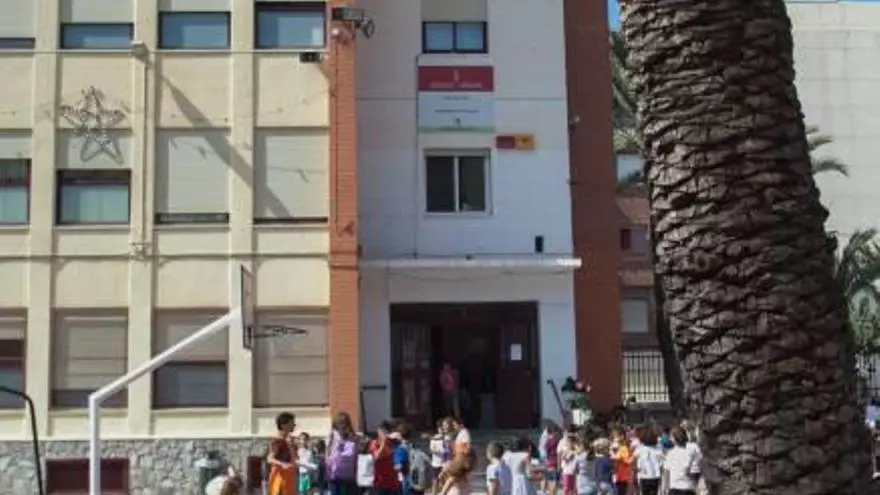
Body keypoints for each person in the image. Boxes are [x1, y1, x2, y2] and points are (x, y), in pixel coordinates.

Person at [328, 412, 360, 495]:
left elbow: (356, 457)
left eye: (344, 423)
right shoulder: (333, 436)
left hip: (349, 477)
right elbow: (327, 455)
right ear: (336, 425)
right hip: (335, 476)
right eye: (340, 423)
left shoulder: (354, 438)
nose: (342, 426)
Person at [267, 412, 298, 495]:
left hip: (288, 481)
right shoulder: (277, 441)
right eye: (291, 423)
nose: (294, 425)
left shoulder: (287, 441)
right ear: (283, 425)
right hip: (280, 481)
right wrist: (282, 464)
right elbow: (270, 459)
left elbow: (292, 460)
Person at [663, 427, 698, 495]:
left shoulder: (671, 453)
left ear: (675, 438)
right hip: (688, 487)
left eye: (671, 437)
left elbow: (666, 472)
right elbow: (688, 471)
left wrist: (664, 487)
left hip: (675, 487)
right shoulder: (689, 452)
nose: (670, 439)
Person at [369, 421, 400, 495]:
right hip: (380, 482)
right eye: (382, 431)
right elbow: (376, 456)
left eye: (386, 431)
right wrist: (383, 443)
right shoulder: (374, 443)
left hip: (393, 482)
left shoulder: (392, 443)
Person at [633, 429, 663, 495]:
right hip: (655, 476)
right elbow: (661, 464)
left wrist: (635, 473)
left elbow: (634, 460)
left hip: (644, 476)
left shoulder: (640, 448)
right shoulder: (658, 448)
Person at [610, 427, 633, 495]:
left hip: (622, 475)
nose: (614, 438)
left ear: (622, 436)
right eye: (613, 435)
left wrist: (614, 455)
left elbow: (627, 461)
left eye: (615, 435)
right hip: (616, 475)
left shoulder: (624, 448)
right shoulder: (616, 446)